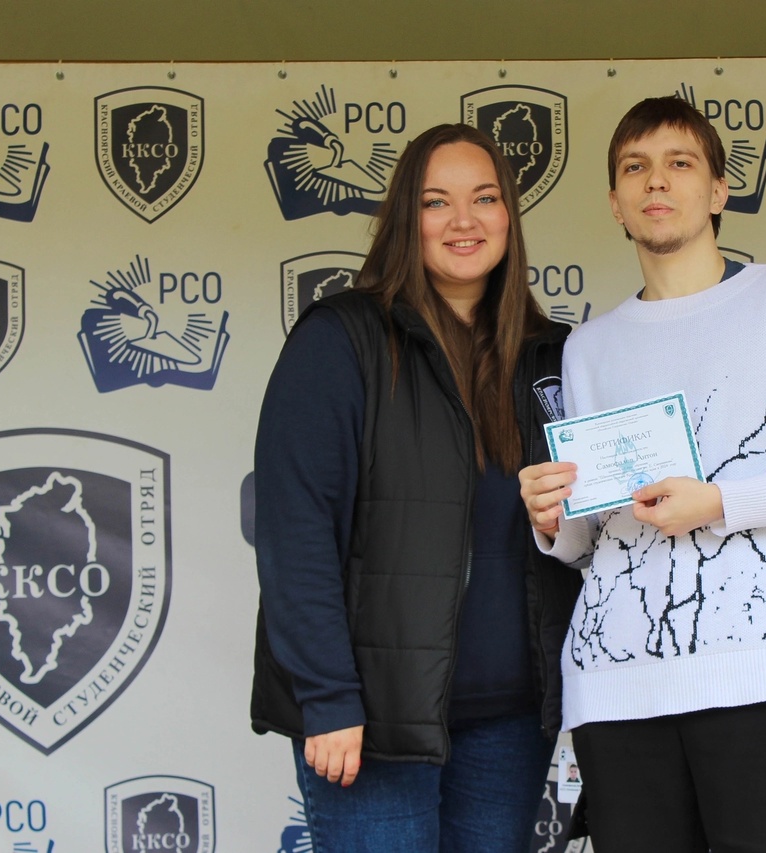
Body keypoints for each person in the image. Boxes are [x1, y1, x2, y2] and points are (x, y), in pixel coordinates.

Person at [519, 96, 766, 851]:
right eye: (635, 167)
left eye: (680, 162)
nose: (656, 180)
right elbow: (595, 535)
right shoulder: (589, 347)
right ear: (616, 203)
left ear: (719, 190)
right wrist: (552, 520)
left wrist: (721, 501)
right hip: (617, 687)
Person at [251, 123, 581, 852]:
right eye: (437, 202)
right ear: (407, 217)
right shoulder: (341, 339)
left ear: (509, 216)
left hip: (511, 722)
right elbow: (295, 531)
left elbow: (590, 532)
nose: (464, 220)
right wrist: (328, 696)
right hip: (374, 723)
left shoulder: (552, 355)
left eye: (484, 198)